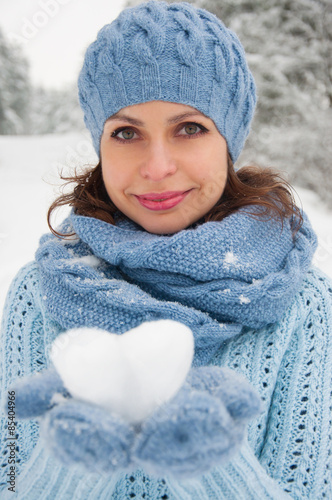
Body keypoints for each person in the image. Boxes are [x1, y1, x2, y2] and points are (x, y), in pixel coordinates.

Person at [0, 1, 331, 499]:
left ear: (228, 140)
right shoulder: (38, 294)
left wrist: (202, 456)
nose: (156, 166)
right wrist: (81, 450)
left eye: (190, 128)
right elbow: (9, 478)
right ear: (100, 145)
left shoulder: (302, 306)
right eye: (126, 133)